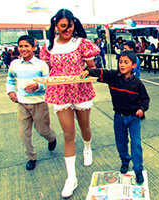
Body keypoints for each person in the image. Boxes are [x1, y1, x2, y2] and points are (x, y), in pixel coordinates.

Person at [40, 9, 100, 198]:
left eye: (70, 25)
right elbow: (48, 71)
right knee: (68, 134)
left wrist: (86, 72)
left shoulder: (81, 43)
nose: (67, 29)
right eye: (63, 26)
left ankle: (87, 147)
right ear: (56, 26)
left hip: (80, 90)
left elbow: (93, 69)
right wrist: (40, 81)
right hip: (60, 92)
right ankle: (71, 178)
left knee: (85, 127)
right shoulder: (49, 47)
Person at [80, 50, 150, 184]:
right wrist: (88, 72)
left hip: (133, 119)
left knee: (136, 144)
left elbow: (145, 100)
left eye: (126, 62)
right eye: (120, 62)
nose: (122, 65)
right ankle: (125, 161)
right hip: (118, 117)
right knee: (121, 142)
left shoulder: (137, 84)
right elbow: (101, 72)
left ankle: (138, 170)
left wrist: (141, 109)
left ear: (134, 65)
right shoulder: (113, 76)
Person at [6, 35, 57, 171]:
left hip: (39, 103)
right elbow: (10, 80)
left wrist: (38, 86)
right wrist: (11, 92)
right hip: (22, 104)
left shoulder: (41, 65)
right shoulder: (14, 64)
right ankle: (31, 157)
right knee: (24, 134)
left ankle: (52, 139)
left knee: (42, 130)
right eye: (21, 46)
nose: (23, 49)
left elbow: (48, 82)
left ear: (33, 48)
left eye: (26, 46)